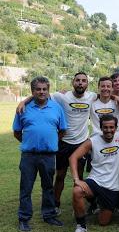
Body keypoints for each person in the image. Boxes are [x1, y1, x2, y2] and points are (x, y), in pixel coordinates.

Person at [16, 72, 98, 214]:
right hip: (64, 142)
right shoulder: (61, 97)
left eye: (84, 81)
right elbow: (42, 94)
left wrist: (115, 96)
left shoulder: (91, 96)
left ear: (87, 84)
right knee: (59, 175)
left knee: (78, 176)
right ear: (73, 82)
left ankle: (79, 205)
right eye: (77, 80)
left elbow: (106, 95)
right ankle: (56, 204)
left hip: (81, 142)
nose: (80, 83)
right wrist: (24, 101)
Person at [13, 76, 67, 232]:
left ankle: (49, 215)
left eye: (44, 89)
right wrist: (30, 143)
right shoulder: (23, 108)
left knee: (48, 187)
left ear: (48, 90)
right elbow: (17, 132)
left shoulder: (56, 108)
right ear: (32, 91)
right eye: (38, 89)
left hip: (48, 156)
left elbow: (63, 130)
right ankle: (24, 218)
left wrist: (51, 142)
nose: (41, 92)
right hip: (29, 156)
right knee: (26, 188)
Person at [68, 115, 119, 232]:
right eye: (105, 127)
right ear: (100, 127)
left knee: (103, 222)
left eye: (111, 127)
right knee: (77, 191)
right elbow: (73, 157)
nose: (108, 130)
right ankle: (81, 226)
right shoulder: (92, 141)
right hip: (96, 180)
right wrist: (77, 179)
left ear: (116, 128)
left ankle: (100, 204)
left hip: (112, 186)